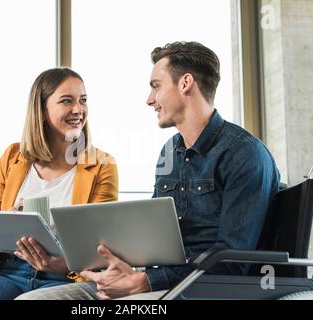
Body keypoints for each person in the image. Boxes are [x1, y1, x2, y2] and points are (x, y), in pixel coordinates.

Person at [15, 41, 280, 301]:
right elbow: (150, 237)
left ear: (186, 83)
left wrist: (143, 282)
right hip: (158, 281)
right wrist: (118, 270)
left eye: (156, 86)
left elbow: (233, 261)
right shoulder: (171, 151)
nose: (149, 100)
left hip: (203, 288)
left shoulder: (244, 155)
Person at [0, 68, 118, 300]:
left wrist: (62, 264)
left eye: (83, 100)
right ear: (42, 111)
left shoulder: (101, 165)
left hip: (64, 275)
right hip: (9, 270)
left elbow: (100, 245)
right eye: (66, 101)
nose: (78, 109)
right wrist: (4, 221)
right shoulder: (13, 156)